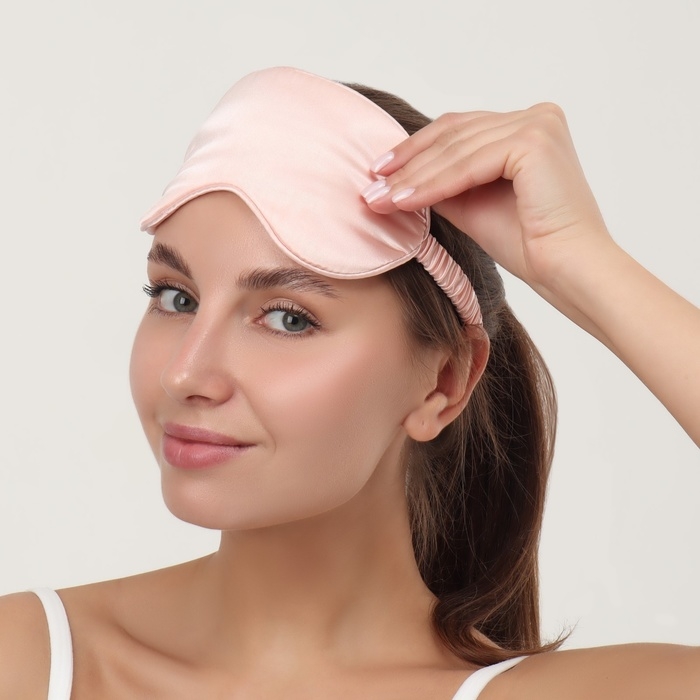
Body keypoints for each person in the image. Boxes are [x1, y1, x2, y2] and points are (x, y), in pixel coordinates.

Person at [0, 66, 698, 699]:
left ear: (444, 382)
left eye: (287, 318)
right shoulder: (26, 661)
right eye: (176, 297)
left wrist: (575, 258)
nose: (185, 372)